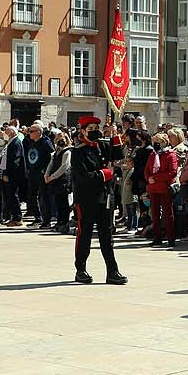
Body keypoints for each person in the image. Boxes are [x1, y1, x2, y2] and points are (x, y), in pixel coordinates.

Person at [70, 117, 127, 285]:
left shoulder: (102, 145)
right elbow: (83, 178)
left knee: (107, 235)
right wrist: (106, 174)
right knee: (84, 234)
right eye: (91, 128)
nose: (95, 130)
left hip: (105, 198)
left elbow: (119, 155)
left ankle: (112, 270)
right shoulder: (78, 152)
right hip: (87, 199)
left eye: (96, 127)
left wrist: (115, 135)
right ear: (82, 131)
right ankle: (80, 269)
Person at [144, 128, 180, 246]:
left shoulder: (171, 155)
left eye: (159, 141)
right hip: (153, 187)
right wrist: (149, 178)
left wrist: (156, 178)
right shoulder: (152, 155)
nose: (156, 144)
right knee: (154, 213)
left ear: (165, 142)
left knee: (167, 213)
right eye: (155, 141)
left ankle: (170, 237)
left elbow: (173, 172)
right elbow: (147, 170)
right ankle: (157, 237)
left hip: (164, 187)